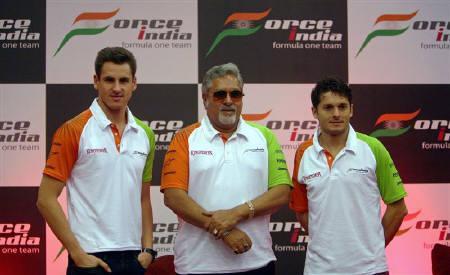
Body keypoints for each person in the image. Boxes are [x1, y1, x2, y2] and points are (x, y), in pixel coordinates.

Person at [161, 63, 292, 275]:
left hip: (256, 262)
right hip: (197, 265)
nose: (229, 101)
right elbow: (174, 197)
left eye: (236, 94)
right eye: (220, 94)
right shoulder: (184, 138)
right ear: (205, 99)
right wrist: (224, 231)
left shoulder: (265, 137)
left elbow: (281, 192)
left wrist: (237, 213)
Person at [36, 47, 157, 275]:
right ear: (96, 81)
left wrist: (148, 250)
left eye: (124, 80)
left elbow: (143, 198)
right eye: (109, 80)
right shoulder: (73, 130)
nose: (117, 88)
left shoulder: (146, 133)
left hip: (134, 258)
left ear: (134, 83)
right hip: (89, 258)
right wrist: (77, 253)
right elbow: (45, 198)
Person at [290, 77, 408, 275]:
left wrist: (373, 248)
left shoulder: (373, 147)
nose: (336, 114)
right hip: (319, 269)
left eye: (342, 107)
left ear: (351, 110)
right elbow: (301, 211)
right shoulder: (303, 152)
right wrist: (327, 244)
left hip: (370, 269)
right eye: (328, 107)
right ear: (314, 112)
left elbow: (398, 208)